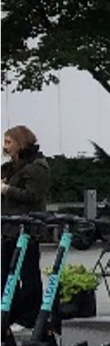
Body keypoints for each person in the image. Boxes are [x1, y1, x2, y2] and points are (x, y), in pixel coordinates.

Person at [2, 126, 52, 327]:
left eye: (9, 142)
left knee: (28, 273)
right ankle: (9, 314)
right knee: (6, 273)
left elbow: (33, 195)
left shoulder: (36, 166)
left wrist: (7, 190)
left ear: (20, 142)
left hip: (27, 227)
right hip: (8, 226)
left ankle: (29, 317)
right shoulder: (11, 166)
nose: (5, 146)